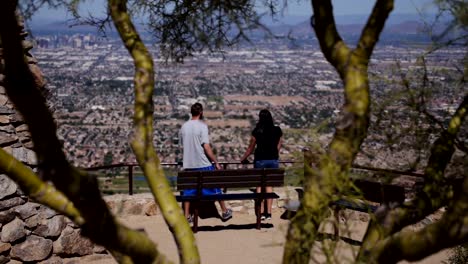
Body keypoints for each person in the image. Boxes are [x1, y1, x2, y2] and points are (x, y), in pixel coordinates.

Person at [179, 102, 232, 223]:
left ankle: (187, 215)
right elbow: (206, 147)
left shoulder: (184, 127)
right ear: (201, 112)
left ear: (191, 112)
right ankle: (224, 211)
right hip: (203, 163)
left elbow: (183, 145)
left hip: (188, 164)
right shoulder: (202, 126)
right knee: (215, 187)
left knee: (188, 190)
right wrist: (216, 162)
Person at [240, 109, 282, 220]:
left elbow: (250, 148)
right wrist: (274, 153)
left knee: (259, 186)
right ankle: (268, 213)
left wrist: (243, 159)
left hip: (260, 160)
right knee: (269, 186)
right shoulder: (277, 130)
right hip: (273, 160)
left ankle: (260, 212)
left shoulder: (257, 131)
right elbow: (279, 144)